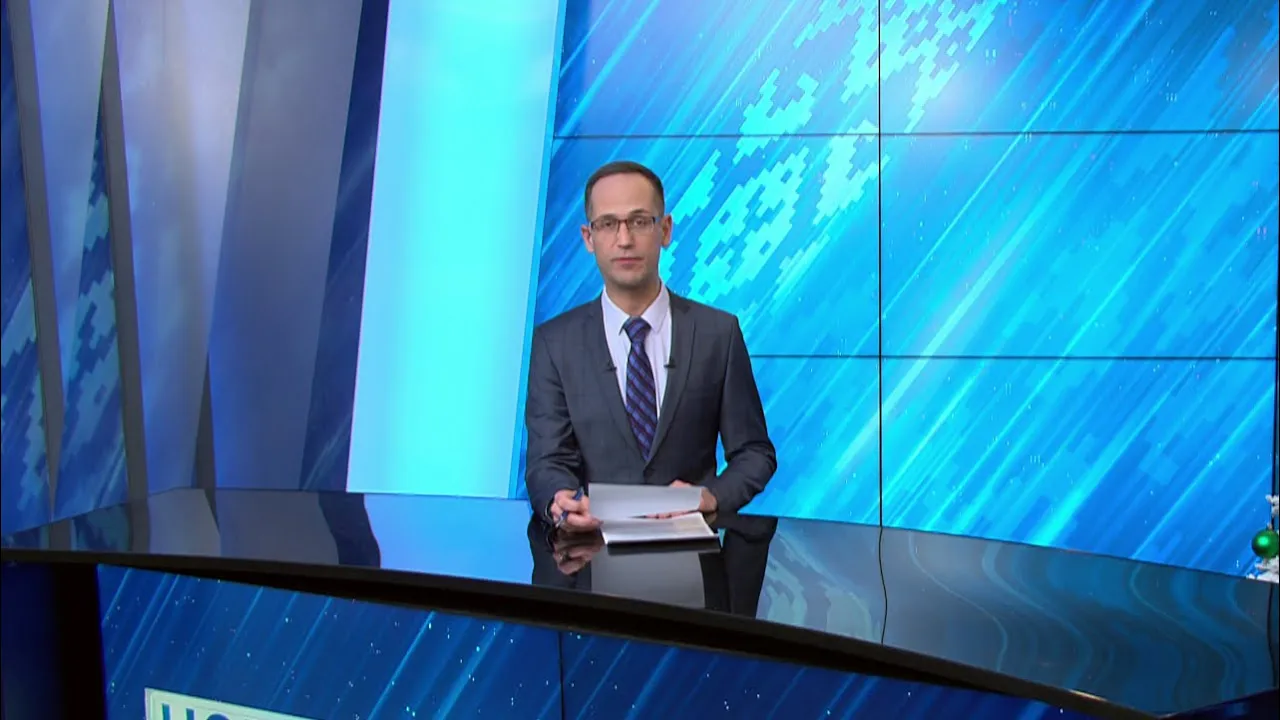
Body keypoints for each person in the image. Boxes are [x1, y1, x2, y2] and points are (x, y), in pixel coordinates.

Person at [524, 160, 777, 532]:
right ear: (588, 238)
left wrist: (712, 496)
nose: (624, 239)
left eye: (640, 221)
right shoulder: (555, 344)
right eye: (608, 224)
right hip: (591, 552)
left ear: (665, 230)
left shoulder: (717, 334)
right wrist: (560, 501)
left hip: (693, 552)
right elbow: (547, 461)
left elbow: (755, 453)